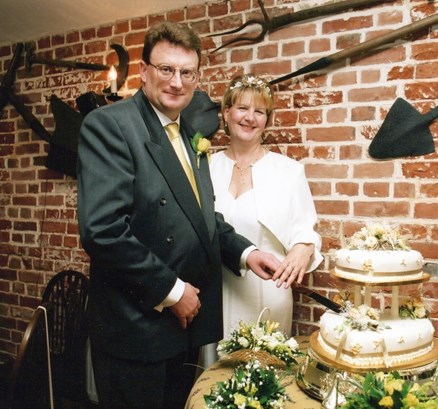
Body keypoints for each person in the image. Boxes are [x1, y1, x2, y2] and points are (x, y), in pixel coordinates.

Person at [77, 23, 296, 409]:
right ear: (144, 71)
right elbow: (103, 230)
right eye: (166, 70)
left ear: (197, 77)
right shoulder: (111, 126)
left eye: (187, 73)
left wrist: (245, 253)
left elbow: (201, 217)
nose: (177, 82)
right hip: (137, 329)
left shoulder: (188, 132)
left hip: (182, 328)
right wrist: (174, 291)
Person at [210, 73, 323, 339]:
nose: (250, 117)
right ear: (226, 113)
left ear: (266, 121)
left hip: (268, 292)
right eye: (242, 108)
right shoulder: (206, 167)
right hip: (215, 292)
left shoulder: (288, 171)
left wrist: (303, 248)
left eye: (259, 111)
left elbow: (305, 231)